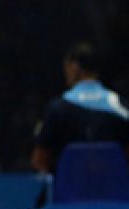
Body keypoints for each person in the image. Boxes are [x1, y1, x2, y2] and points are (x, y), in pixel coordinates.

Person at [31, 42, 129, 173]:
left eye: (66, 67)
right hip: (115, 192)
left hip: (69, 193)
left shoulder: (58, 108)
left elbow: (39, 161)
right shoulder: (121, 106)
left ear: (75, 67)